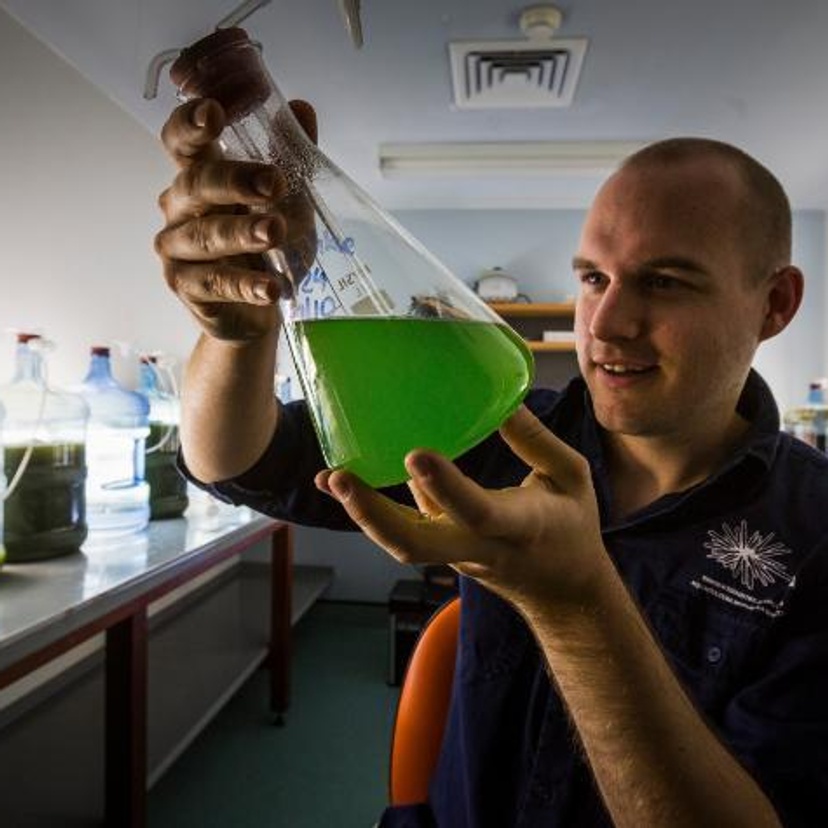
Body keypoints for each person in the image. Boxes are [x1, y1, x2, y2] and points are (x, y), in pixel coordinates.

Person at [155, 96, 828, 827]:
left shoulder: (815, 534)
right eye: (594, 279)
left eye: (664, 282)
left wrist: (574, 608)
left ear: (775, 305)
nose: (604, 325)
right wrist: (236, 334)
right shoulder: (497, 432)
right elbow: (238, 460)